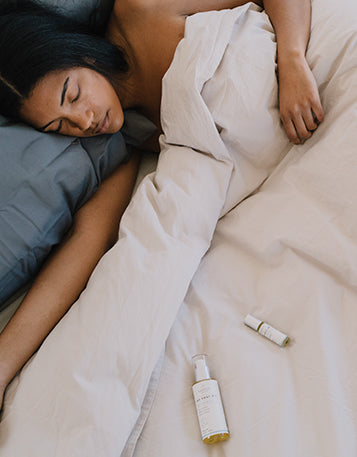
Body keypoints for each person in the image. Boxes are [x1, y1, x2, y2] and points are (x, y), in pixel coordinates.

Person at [0, 0, 324, 412]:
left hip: (313, 72)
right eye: (59, 126)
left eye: (74, 94)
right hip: (285, 170)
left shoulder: (142, 11)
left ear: (80, 52)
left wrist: (293, 58)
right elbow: (88, 241)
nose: (82, 122)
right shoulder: (120, 144)